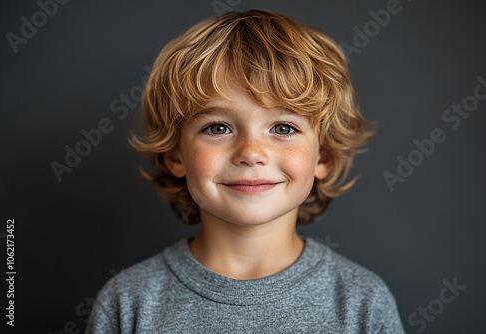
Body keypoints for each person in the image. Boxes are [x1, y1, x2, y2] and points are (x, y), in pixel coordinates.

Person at [85, 9, 405, 333]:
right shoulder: (128, 303)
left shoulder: (363, 303)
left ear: (324, 156)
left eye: (282, 127)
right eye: (218, 128)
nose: (251, 153)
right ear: (175, 155)